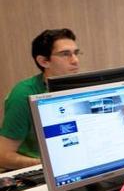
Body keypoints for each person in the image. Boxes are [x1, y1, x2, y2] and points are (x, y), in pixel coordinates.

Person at [0, 28, 81, 170]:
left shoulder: (81, 87)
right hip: (36, 170)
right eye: (65, 54)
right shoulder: (23, 94)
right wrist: (47, 167)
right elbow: (3, 155)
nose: (75, 60)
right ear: (43, 61)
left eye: (76, 53)